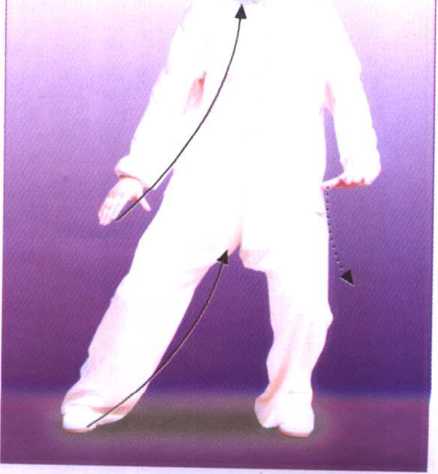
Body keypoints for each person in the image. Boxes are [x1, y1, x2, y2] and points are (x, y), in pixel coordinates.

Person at [61, 0, 381, 437]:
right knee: (146, 291)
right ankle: (97, 399)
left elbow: (346, 88)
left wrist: (361, 155)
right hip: (206, 178)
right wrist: (138, 173)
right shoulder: (207, 12)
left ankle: (289, 398)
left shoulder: (318, 16)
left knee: (305, 303)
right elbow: (173, 93)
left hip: (287, 182)